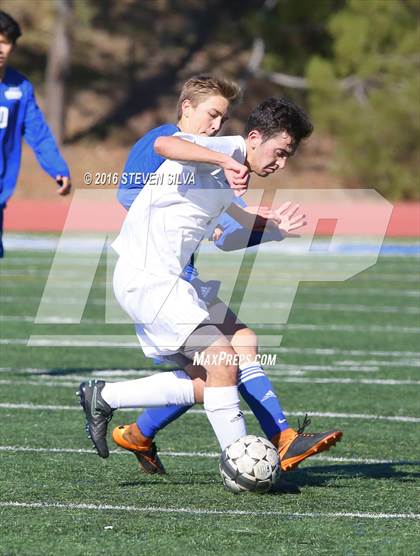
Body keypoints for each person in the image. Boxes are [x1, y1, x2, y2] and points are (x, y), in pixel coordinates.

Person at [79, 97, 342, 475]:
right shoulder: (226, 150)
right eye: (280, 152)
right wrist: (226, 160)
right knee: (223, 361)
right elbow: (162, 144)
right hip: (150, 276)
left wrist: (274, 230)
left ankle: (106, 397)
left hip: (168, 278)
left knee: (212, 379)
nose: (281, 164)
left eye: (288, 157)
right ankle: (242, 463)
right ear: (254, 137)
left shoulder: (227, 177)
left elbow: (226, 236)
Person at [0, 10, 71, 257]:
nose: (0, 49)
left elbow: (38, 133)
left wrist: (57, 168)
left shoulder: (19, 88)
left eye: (5, 43)